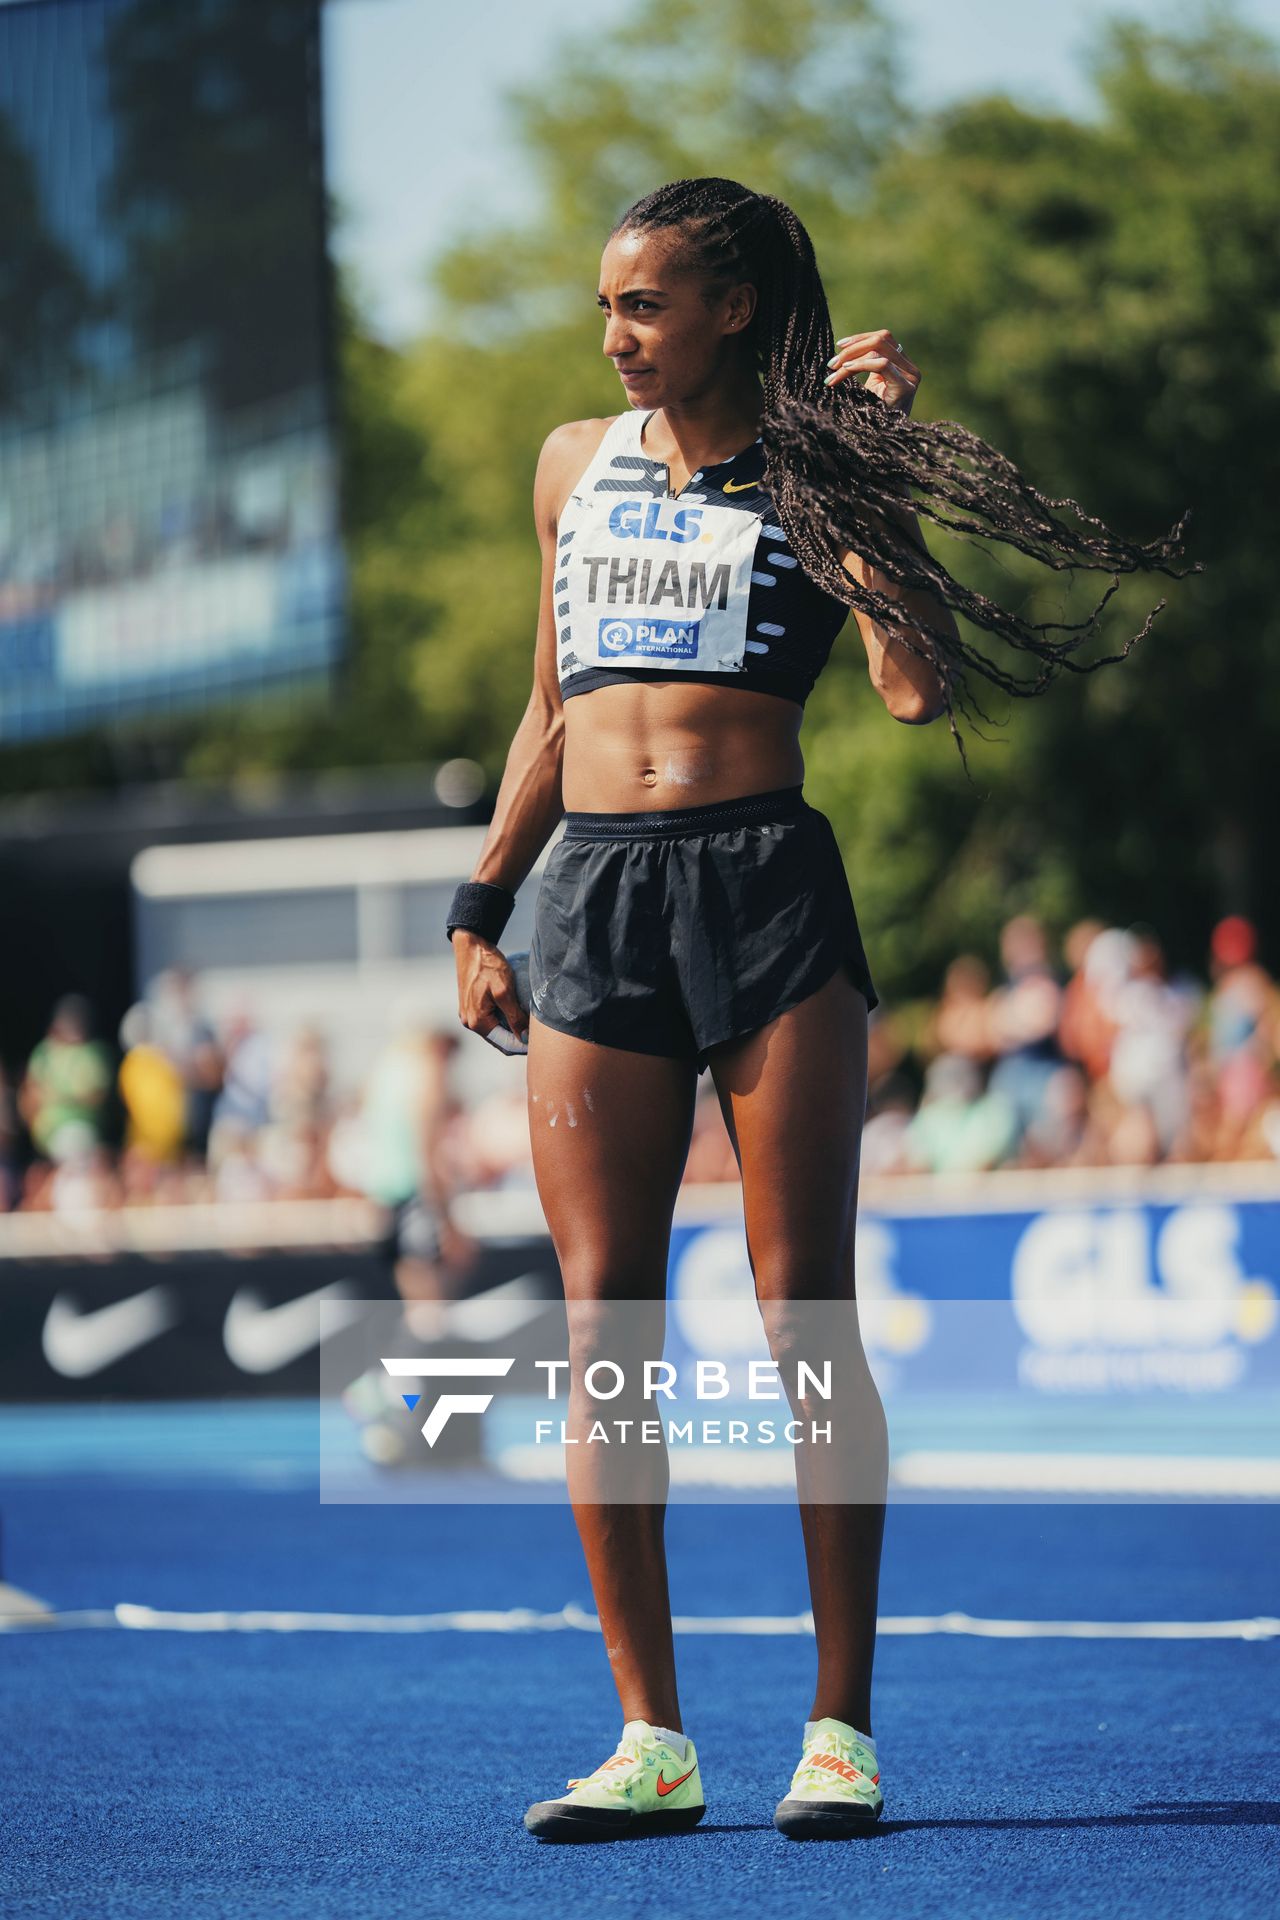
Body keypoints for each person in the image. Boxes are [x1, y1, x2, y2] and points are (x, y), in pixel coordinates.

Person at [445, 178, 1195, 1844]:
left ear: (731, 307)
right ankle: (650, 1739)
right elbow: (549, 706)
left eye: (644, 305)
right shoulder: (573, 462)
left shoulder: (809, 471)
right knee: (602, 1325)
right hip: (594, 903)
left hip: (766, 887)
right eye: (606, 309)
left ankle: (839, 1730)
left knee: (804, 1323)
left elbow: (917, 684)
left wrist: (863, 483)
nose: (618, 336)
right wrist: (483, 899)